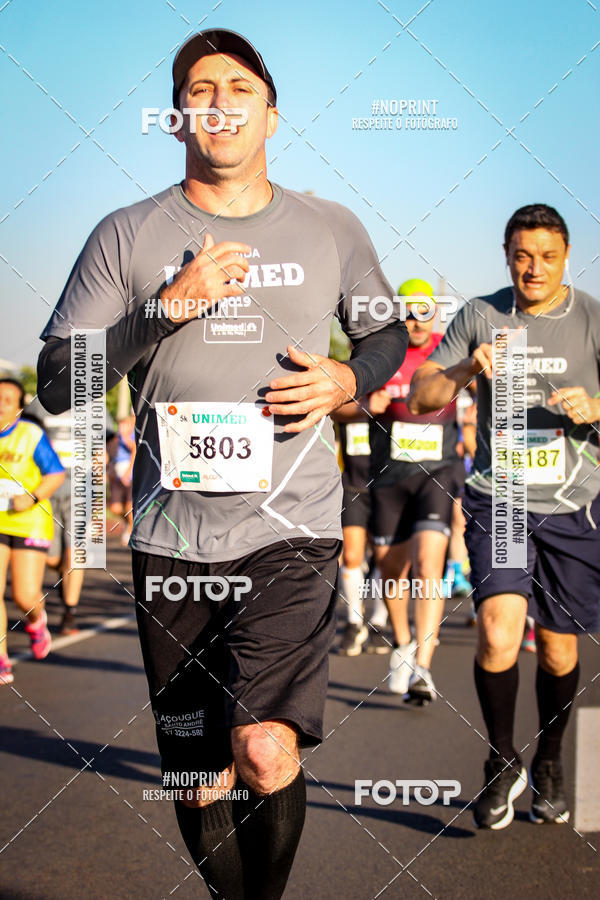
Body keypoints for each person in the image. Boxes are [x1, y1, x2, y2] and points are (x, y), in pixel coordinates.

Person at [36, 29, 407, 898]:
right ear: (176, 120)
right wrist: (162, 311)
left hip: (293, 529)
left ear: (271, 115)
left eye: (240, 88)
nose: (219, 102)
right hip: (172, 537)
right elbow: (56, 381)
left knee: (265, 749)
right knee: (200, 773)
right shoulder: (126, 235)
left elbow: (386, 334)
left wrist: (350, 378)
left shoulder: (330, 225)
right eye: (199, 89)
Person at [408, 203, 600, 829]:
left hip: (575, 508)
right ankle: (499, 759)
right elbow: (421, 396)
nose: (533, 268)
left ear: (566, 258)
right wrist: (467, 367)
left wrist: (595, 406)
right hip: (504, 499)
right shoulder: (481, 315)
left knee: (559, 651)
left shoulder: (591, 317)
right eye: (522, 256)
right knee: (497, 632)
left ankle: (549, 759)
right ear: (507, 256)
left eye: (547, 257)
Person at [368, 279, 464, 704]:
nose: (417, 321)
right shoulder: (382, 351)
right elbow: (345, 403)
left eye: (425, 312)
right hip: (389, 477)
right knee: (391, 570)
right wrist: (367, 403)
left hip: (437, 474)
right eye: (409, 313)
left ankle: (423, 667)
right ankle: (403, 643)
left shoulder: (449, 352)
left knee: (428, 567)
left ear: (435, 314)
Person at [0, 379, 65, 684]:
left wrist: (32, 497)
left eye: (7, 400)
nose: (1, 404)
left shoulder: (30, 434)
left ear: (18, 407)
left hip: (29, 520)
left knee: (24, 596)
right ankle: (1, 659)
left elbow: (55, 474)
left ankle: (37, 620)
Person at [332, 393, 391, 656]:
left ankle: (379, 622)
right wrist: (363, 407)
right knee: (352, 556)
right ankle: (354, 622)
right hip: (353, 487)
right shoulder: (347, 395)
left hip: (387, 488)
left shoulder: (388, 393)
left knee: (384, 559)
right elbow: (333, 411)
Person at [25, 399, 85, 635]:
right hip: (46, 490)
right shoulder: (38, 404)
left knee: (76, 554)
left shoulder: (91, 402)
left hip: (81, 492)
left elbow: (107, 441)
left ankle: (70, 613)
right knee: (51, 558)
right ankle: (63, 572)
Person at [107, 414, 136, 547]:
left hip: (130, 476)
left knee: (129, 506)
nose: (121, 428)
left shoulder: (132, 437)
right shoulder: (115, 438)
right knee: (115, 508)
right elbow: (110, 453)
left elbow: (134, 451)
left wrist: (128, 472)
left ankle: (130, 529)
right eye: (120, 425)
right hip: (117, 476)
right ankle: (127, 522)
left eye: (124, 425)